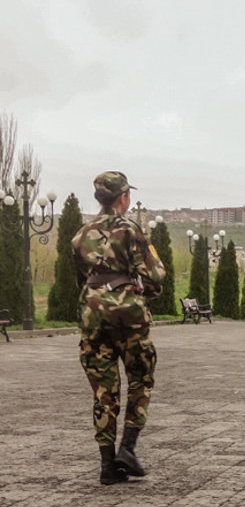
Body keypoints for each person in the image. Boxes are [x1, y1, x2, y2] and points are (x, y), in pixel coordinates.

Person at [72, 171, 168, 485]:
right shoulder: (131, 230)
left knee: (103, 392)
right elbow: (154, 275)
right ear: (123, 197)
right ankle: (127, 449)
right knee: (141, 379)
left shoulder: (81, 234)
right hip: (130, 319)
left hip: (93, 319)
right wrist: (147, 293)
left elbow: (81, 279)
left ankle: (107, 466)